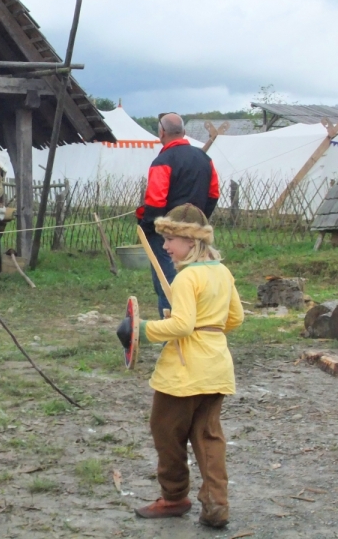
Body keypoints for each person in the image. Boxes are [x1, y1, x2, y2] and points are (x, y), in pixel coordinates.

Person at [118, 204, 243, 529]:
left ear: (192, 241)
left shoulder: (188, 276)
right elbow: (235, 319)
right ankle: (217, 505)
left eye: (171, 238)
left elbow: (184, 326)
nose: (165, 246)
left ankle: (174, 497)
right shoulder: (221, 272)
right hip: (216, 367)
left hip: (185, 373)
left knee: (166, 430)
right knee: (208, 437)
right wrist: (205, 329)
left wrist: (143, 330)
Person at [137, 113, 220, 318]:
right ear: (184, 132)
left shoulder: (163, 161)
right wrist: (198, 221)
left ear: (161, 133)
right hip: (195, 234)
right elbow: (213, 193)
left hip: (167, 235)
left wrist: (148, 226)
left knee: (168, 286)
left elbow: (156, 201)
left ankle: (172, 341)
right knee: (197, 282)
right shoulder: (204, 159)